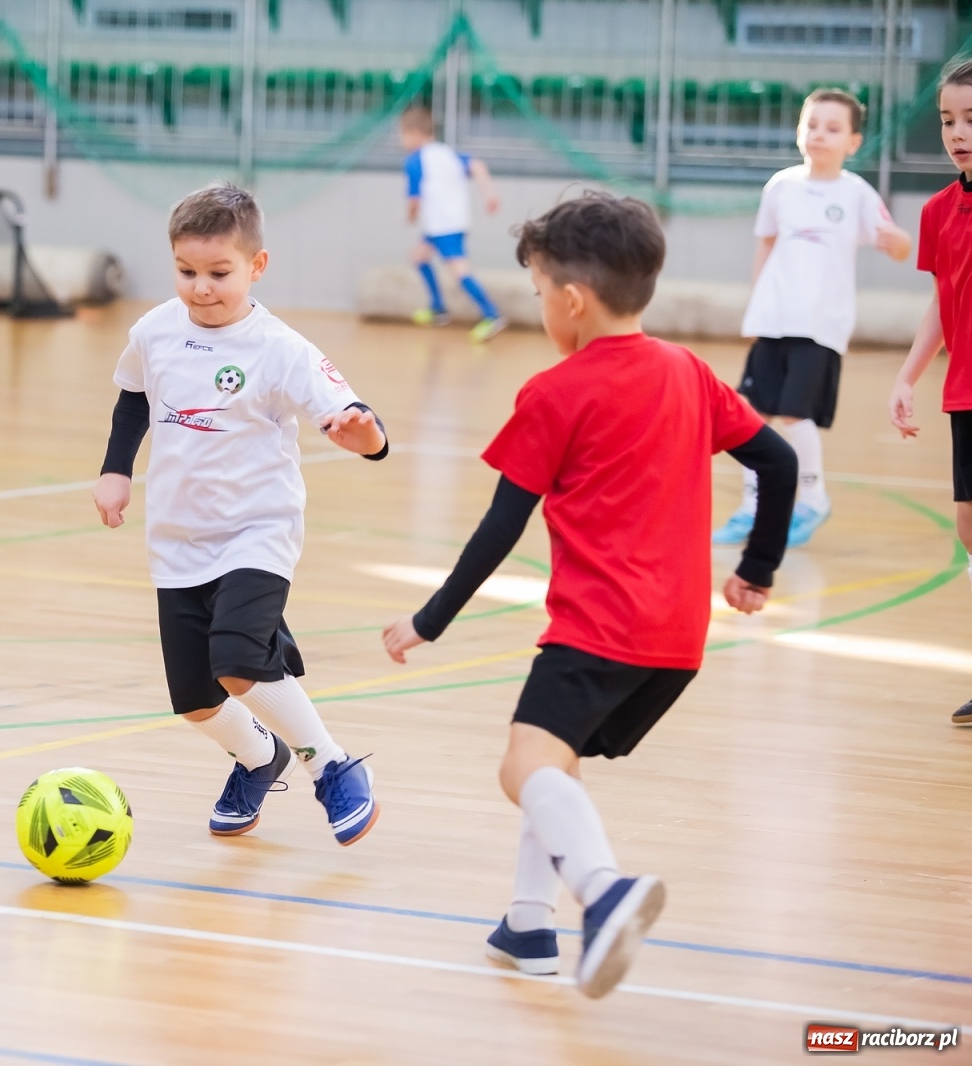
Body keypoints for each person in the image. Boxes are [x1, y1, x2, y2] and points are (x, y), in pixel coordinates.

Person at [382, 194, 797, 997]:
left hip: (598, 626)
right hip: (677, 637)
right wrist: (757, 569)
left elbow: (500, 527)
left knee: (524, 765)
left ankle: (603, 891)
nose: (541, 307)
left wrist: (428, 620)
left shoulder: (555, 392)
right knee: (556, 758)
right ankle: (529, 922)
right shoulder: (688, 371)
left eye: (539, 292)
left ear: (571, 300)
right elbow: (777, 464)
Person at [92, 183, 389, 846]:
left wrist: (360, 433)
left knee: (237, 662)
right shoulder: (155, 331)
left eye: (219, 273)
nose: (201, 288)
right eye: (187, 272)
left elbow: (365, 425)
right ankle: (260, 758)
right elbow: (133, 400)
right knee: (196, 700)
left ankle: (332, 766)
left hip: (259, 531)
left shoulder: (280, 348)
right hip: (176, 541)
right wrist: (116, 470)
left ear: (256, 266)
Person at [714, 88, 911, 549]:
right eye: (812, 125)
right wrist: (755, 305)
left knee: (792, 414)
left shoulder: (857, 193)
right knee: (750, 414)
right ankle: (751, 507)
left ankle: (813, 499)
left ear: (853, 142)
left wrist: (897, 239)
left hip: (820, 326)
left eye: (833, 128)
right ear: (799, 131)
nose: (820, 135)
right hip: (773, 319)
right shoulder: (780, 186)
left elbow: (900, 248)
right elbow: (765, 244)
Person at [889, 58, 972, 727]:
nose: (958, 131)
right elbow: (944, 304)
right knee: (969, 529)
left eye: (971, 118)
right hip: (963, 392)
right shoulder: (940, 211)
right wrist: (908, 376)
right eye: (948, 119)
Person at [398, 105, 506, 342]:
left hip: (442, 225)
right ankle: (438, 308)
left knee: (460, 270)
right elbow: (477, 166)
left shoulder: (415, 160)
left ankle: (492, 314)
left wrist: (411, 215)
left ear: (414, 133)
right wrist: (489, 193)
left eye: (402, 134)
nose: (401, 140)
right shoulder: (447, 153)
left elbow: (414, 199)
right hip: (451, 222)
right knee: (419, 257)